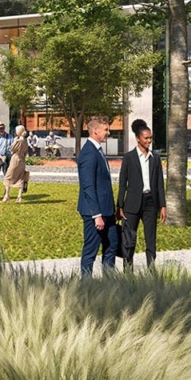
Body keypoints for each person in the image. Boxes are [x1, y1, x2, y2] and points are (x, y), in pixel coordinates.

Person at [116, 119, 165, 271]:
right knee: (129, 239)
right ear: (138, 138)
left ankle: (151, 270)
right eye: (146, 138)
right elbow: (123, 183)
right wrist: (120, 205)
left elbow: (159, 184)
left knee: (151, 239)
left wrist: (163, 205)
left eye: (150, 138)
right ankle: (128, 271)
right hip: (132, 203)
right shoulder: (129, 157)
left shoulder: (155, 158)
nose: (149, 140)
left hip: (151, 202)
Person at [77, 116, 119, 277]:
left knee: (111, 246)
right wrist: (96, 215)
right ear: (95, 130)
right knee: (91, 250)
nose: (108, 133)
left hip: (107, 211)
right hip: (94, 212)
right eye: (106, 130)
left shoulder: (98, 151)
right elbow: (88, 186)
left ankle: (109, 283)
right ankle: (86, 287)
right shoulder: (88, 153)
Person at [1, 125, 30, 204]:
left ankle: (7, 196)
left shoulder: (18, 140)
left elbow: (11, 149)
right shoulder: (25, 140)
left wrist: (14, 141)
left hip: (15, 159)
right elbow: (26, 152)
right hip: (22, 160)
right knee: (20, 177)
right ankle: (19, 197)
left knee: (8, 177)